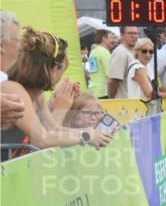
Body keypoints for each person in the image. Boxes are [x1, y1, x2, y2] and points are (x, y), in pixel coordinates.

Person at [1, 27, 112, 160]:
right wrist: (85, 135)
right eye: (63, 69)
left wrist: (97, 134)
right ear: (54, 69)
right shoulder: (13, 89)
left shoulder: (38, 95)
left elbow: (53, 129)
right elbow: (42, 139)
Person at [0, 11, 26, 128]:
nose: (22, 46)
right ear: (1, 46)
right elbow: (40, 137)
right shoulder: (9, 85)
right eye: (17, 40)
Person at [107, 25, 138, 99]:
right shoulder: (120, 52)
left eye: (136, 33)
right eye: (130, 33)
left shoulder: (133, 51)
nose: (134, 36)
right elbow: (113, 81)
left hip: (135, 101)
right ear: (122, 35)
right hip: (125, 103)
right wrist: (112, 100)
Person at [87, 29, 114, 99]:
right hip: (104, 92)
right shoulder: (105, 52)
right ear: (104, 39)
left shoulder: (92, 52)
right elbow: (110, 76)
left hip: (93, 91)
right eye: (111, 38)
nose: (113, 41)